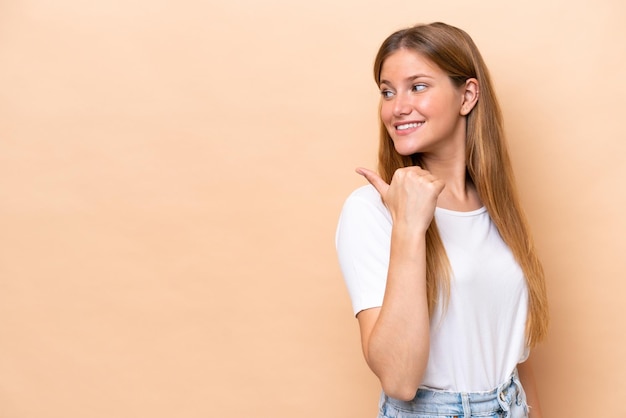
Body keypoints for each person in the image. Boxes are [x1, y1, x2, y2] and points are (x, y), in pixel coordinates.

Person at [335, 22, 549, 418]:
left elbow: (516, 360)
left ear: (467, 95)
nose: (397, 107)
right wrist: (409, 226)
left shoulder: (497, 208)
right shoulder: (370, 211)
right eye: (387, 91)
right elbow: (399, 380)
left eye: (417, 87)